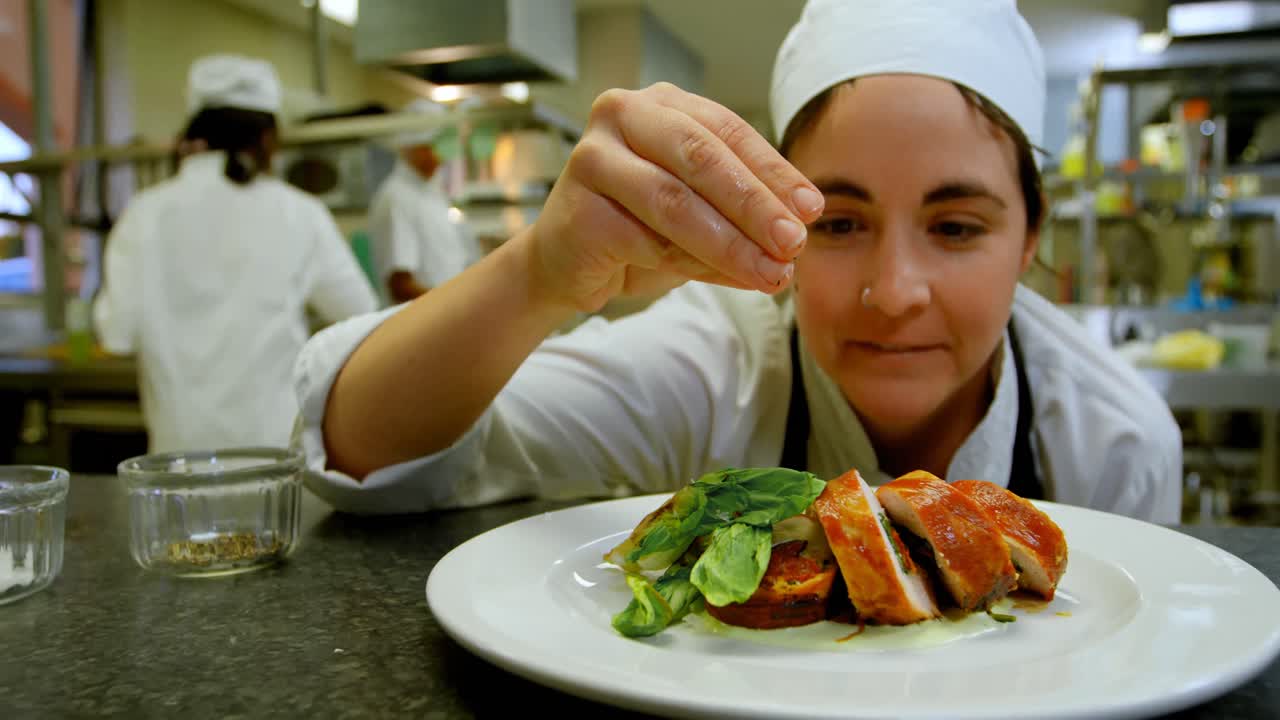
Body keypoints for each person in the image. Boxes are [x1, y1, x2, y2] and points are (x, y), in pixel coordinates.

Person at [292, 0, 1183, 522]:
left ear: (1031, 238)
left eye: (955, 228)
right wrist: (539, 277)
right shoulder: (715, 366)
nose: (894, 293)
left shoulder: (1115, 449)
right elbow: (360, 449)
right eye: (836, 223)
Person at [94, 54, 377, 453]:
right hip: (274, 455)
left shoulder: (143, 213)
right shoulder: (299, 212)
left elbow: (115, 334)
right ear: (266, 138)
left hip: (178, 460)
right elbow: (360, 315)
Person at [367, 98, 482, 306]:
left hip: (448, 317)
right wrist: (454, 304)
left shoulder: (433, 194)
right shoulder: (396, 198)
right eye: (431, 146)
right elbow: (400, 285)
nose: (440, 156)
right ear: (410, 147)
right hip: (421, 322)